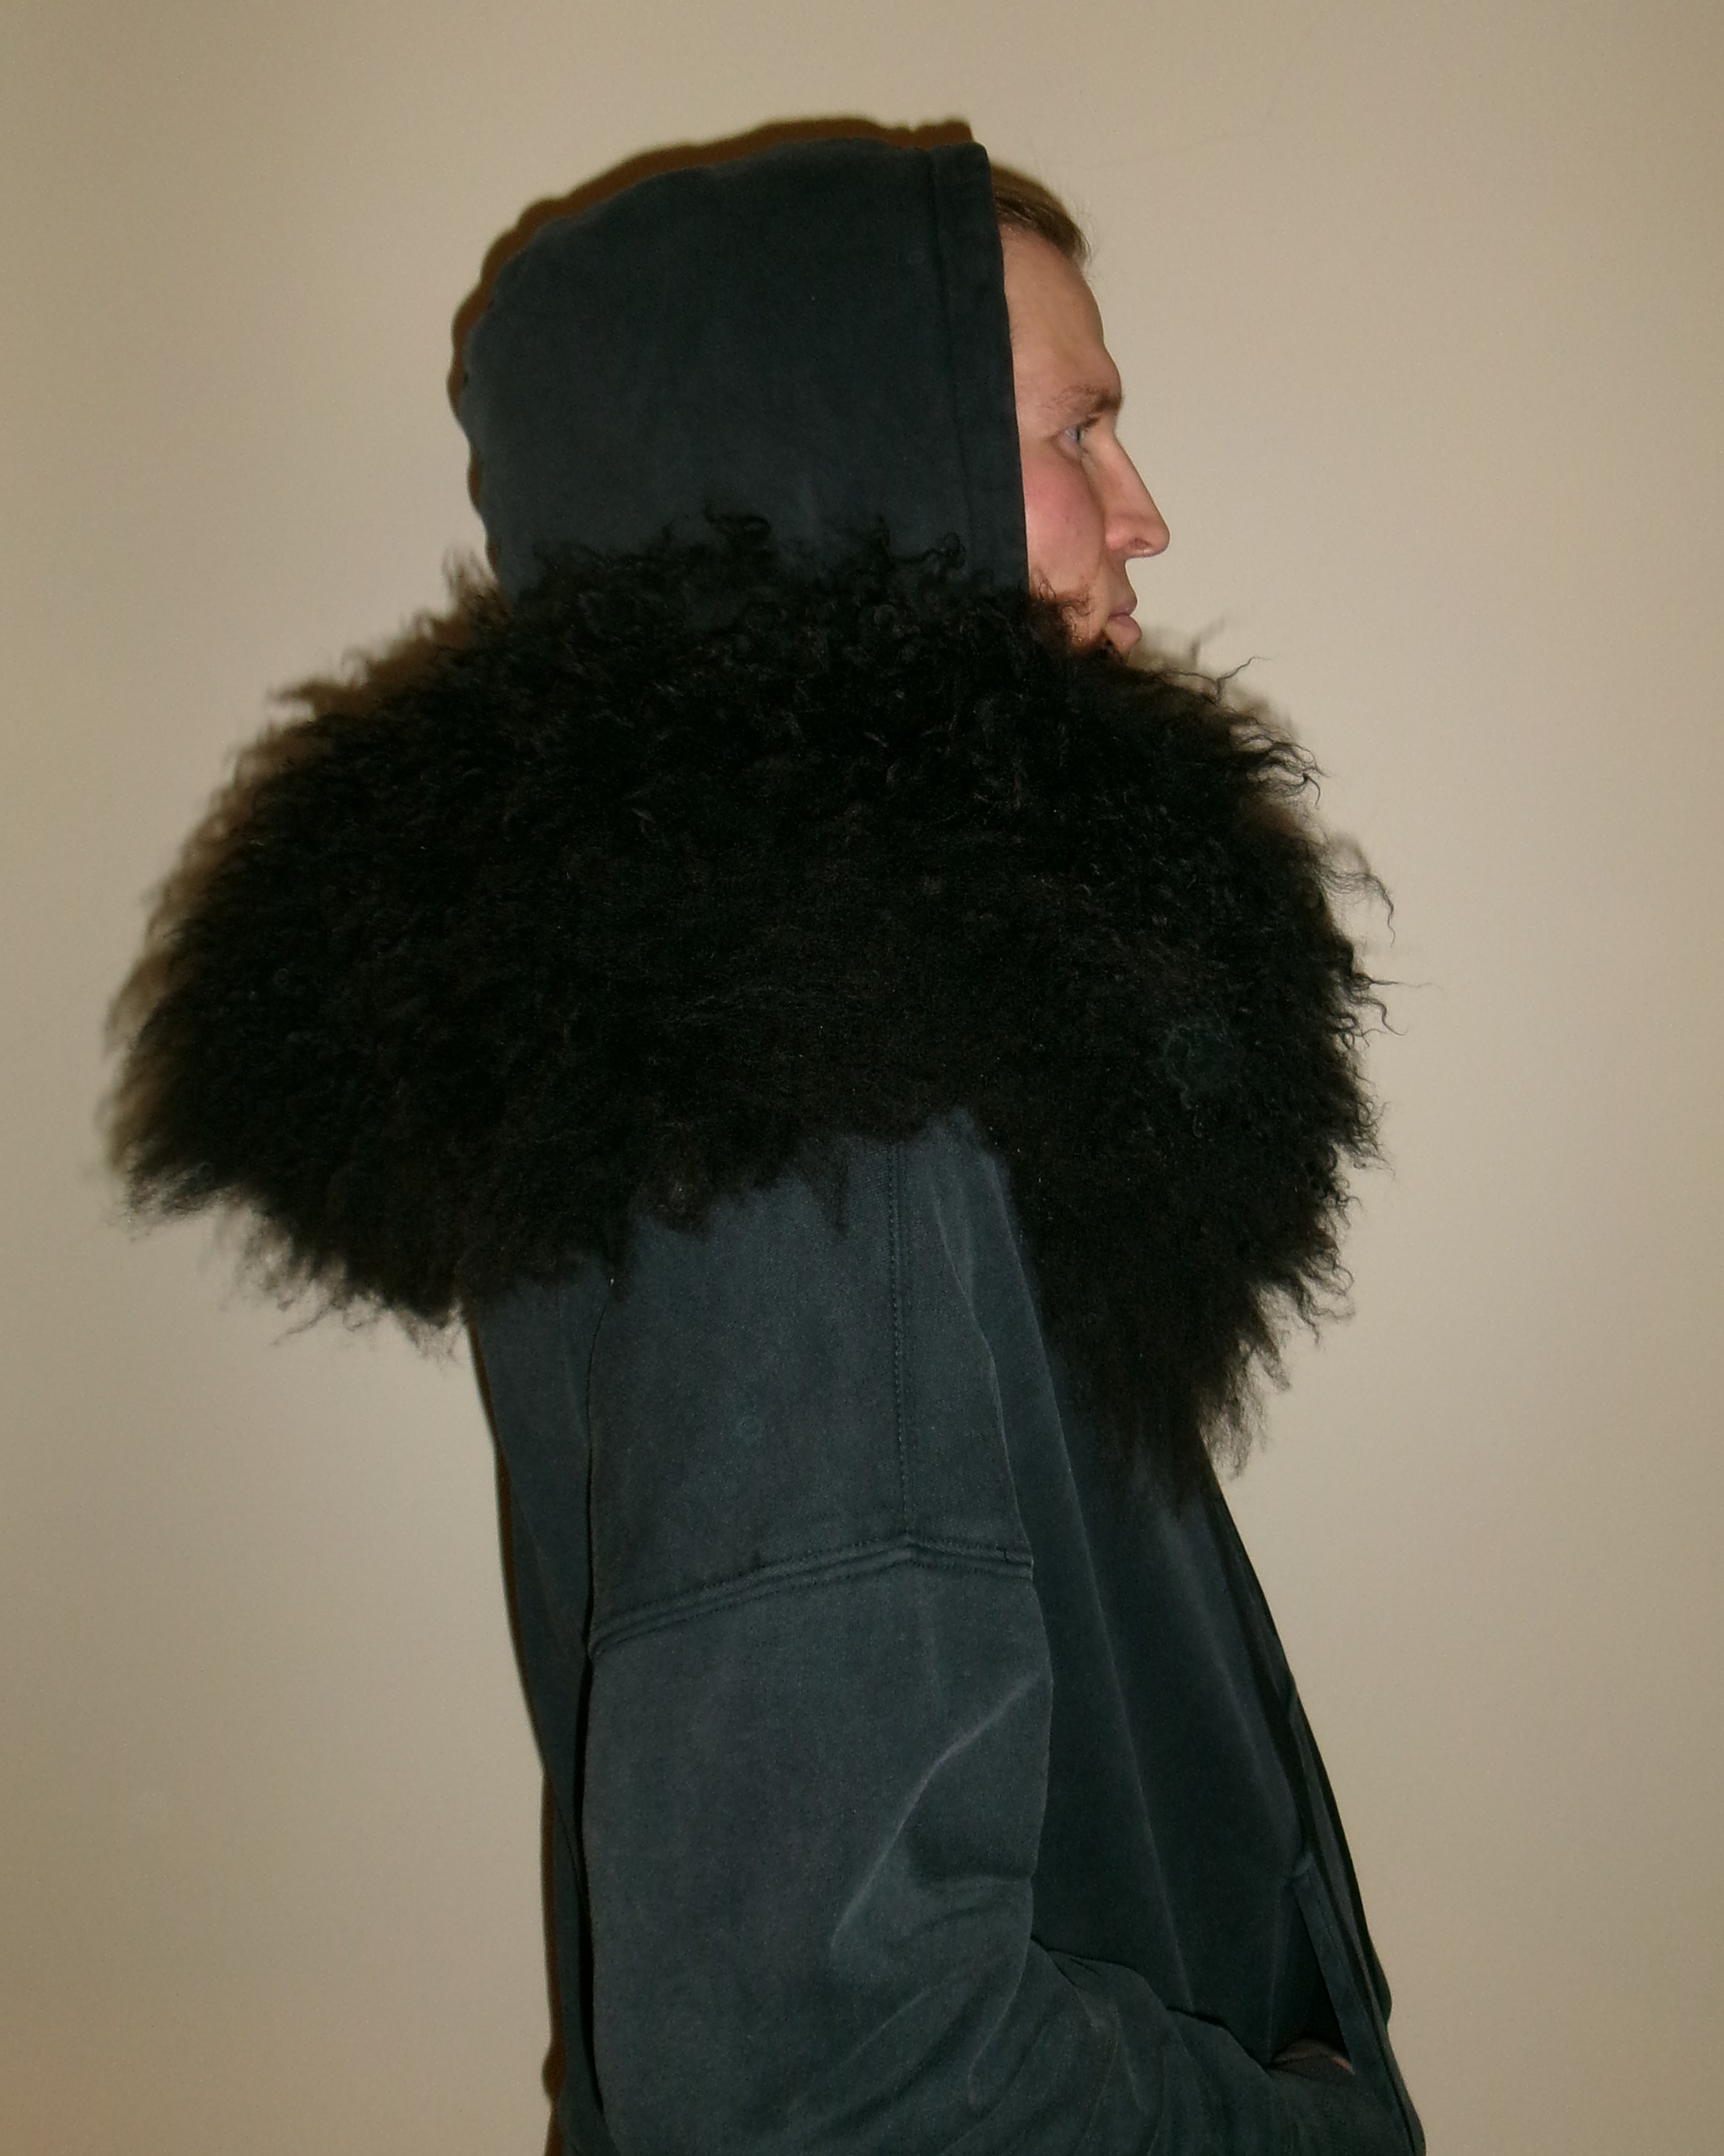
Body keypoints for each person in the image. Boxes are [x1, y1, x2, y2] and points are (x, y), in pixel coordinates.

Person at [109, 128, 1423, 2153]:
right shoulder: (811, 1128)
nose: (1140, 511)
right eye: (1075, 430)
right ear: (857, 472)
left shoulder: (819, 1033)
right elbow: (828, 2078)